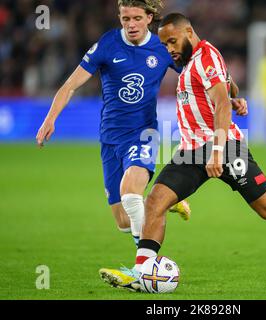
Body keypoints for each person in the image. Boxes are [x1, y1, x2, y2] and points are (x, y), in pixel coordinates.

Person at [105, 13, 266, 292]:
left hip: (227, 149)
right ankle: (141, 271)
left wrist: (218, 150)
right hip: (191, 151)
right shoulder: (187, 61)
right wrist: (235, 97)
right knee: (155, 202)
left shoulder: (206, 57)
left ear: (189, 32)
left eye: (173, 41)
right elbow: (227, 89)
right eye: (165, 43)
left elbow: (221, 105)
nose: (169, 48)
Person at [35, 1, 192, 281]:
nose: (130, 24)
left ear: (149, 19)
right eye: (125, 18)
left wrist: (229, 95)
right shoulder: (107, 44)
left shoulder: (161, 48)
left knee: (131, 194)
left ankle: (143, 271)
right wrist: (50, 118)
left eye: (136, 18)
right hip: (110, 139)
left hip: (143, 133)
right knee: (123, 221)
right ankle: (165, 201)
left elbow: (196, 75)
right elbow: (70, 85)